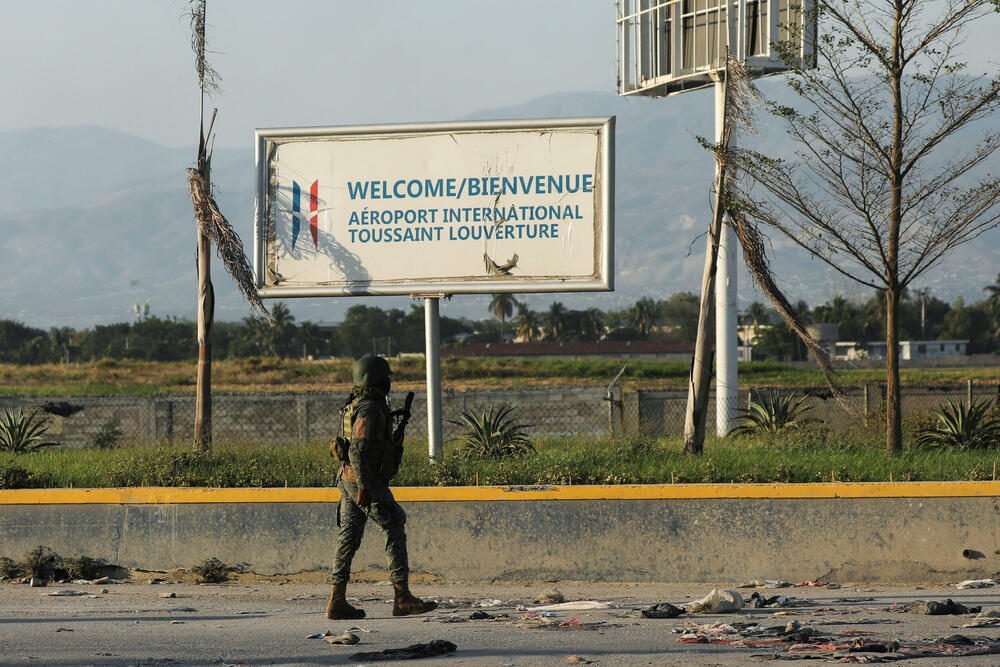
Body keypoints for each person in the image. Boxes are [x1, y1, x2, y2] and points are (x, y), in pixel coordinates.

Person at [326, 354, 438, 620]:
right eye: (386, 377)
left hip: (347, 479)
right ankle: (402, 598)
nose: (389, 381)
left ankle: (337, 601)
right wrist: (365, 485)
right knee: (395, 524)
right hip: (363, 479)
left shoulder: (356, 403)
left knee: (348, 537)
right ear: (374, 379)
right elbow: (357, 450)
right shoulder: (369, 409)